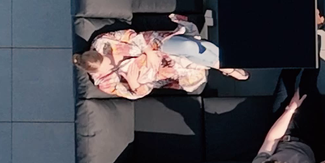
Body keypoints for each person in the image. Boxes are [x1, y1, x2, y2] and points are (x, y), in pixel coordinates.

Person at [74, 14, 248, 99]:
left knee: (189, 46)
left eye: (108, 59)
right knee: (202, 49)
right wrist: (134, 83)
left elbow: (132, 35)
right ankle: (224, 65)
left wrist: (149, 52)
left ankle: (224, 67)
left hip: (156, 45)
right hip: (164, 70)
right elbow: (138, 93)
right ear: (98, 72)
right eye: (109, 66)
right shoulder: (105, 83)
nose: (113, 62)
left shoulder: (103, 42)